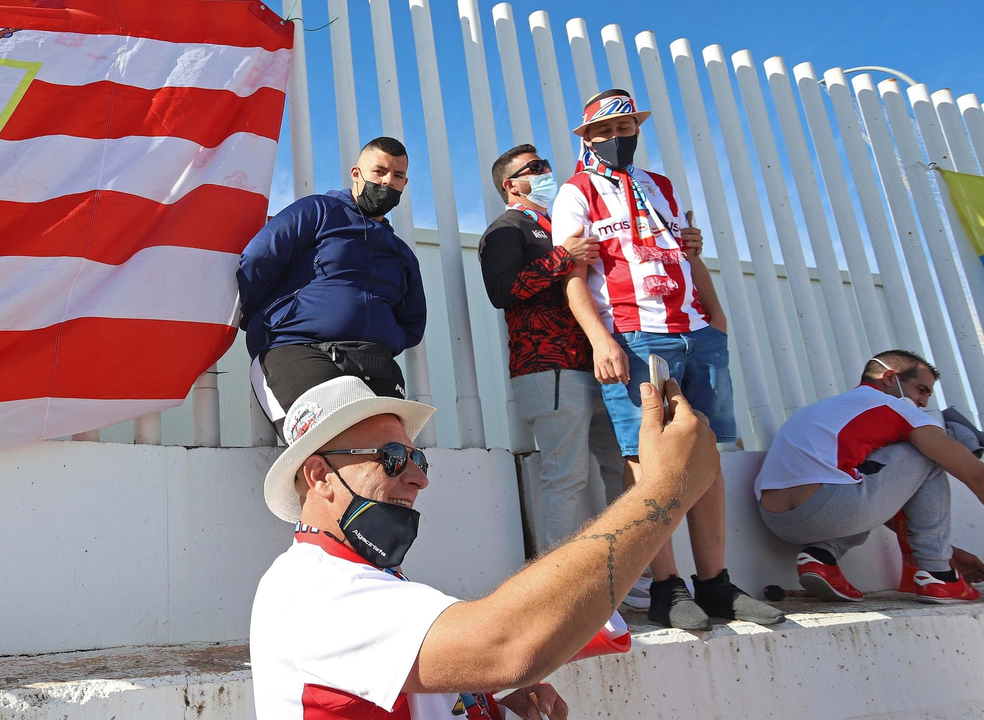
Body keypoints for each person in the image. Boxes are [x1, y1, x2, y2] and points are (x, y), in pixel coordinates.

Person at [249, 371, 721, 720]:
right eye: (393, 458)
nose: (418, 479)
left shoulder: (356, 578)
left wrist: (475, 693)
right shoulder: (309, 589)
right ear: (319, 477)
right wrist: (664, 490)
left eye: (418, 458)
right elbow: (509, 642)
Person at [551, 89, 782, 630]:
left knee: (706, 455)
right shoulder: (574, 192)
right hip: (634, 335)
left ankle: (716, 583)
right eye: (604, 131)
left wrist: (716, 316)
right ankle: (666, 586)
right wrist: (601, 340)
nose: (616, 138)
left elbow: (686, 252)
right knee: (647, 461)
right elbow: (573, 279)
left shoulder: (663, 186)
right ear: (586, 138)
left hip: (696, 331)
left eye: (625, 128)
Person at [479, 144, 625, 552]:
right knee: (567, 477)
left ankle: (637, 578)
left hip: (596, 363)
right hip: (548, 369)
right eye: (536, 168)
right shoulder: (506, 228)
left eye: (546, 164)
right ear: (511, 184)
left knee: (621, 469)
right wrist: (563, 256)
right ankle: (558, 586)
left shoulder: (560, 223)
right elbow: (502, 289)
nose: (547, 172)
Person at [756, 349, 984, 604]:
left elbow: (884, 502)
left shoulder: (824, 409)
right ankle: (939, 575)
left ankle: (821, 556)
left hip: (776, 519)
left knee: (857, 475)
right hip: (831, 504)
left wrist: (948, 550)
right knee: (933, 452)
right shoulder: (894, 407)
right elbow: (975, 475)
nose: (923, 402)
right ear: (889, 378)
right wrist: (937, 556)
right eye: (921, 389)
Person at [238, 136, 426, 430]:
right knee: (331, 445)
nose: (388, 182)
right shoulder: (318, 211)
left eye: (398, 175)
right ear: (357, 174)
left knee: (389, 456)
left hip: (376, 364)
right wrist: (268, 317)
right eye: (379, 171)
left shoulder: (401, 253)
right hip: (301, 351)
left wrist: (384, 334)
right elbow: (258, 258)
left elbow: (413, 322)